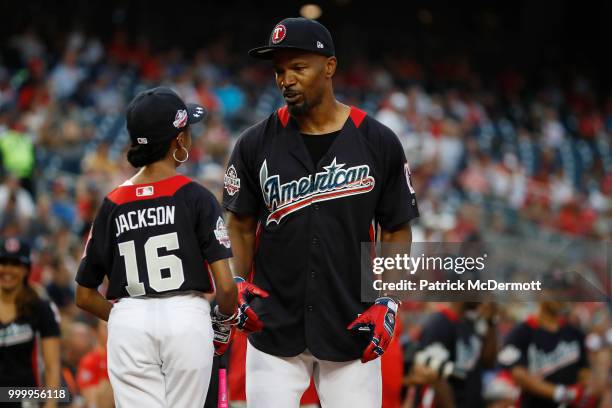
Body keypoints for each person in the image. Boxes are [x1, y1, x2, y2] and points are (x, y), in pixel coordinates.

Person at [223, 17, 419, 407]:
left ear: (329, 66)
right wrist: (238, 281)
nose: (286, 80)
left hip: (352, 328)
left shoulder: (377, 141)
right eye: (280, 71)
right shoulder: (254, 143)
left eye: (298, 67)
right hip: (273, 328)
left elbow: (395, 228)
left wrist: (389, 299)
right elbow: (240, 225)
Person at [75, 87, 238, 408]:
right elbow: (227, 287)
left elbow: (84, 295)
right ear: (178, 140)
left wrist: (126, 318)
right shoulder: (197, 196)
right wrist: (222, 321)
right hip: (186, 319)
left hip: (129, 320)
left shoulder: (112, 203)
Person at [498, 300, 601, 408]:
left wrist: (586, 389)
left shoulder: (573, 331)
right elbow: (519, 375)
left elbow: (583, 368)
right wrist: (561, 393)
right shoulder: (520, 333)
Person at [0, 237, 61, 408]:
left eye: (15, 264)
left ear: (26, 269)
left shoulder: (40, 308)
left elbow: (52, 365)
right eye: (3, 263)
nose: (8, 270)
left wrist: (50, 404)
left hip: (25, 397)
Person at [409, 302, 498, 408]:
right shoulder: (440, 323)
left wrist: (490, 322)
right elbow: (434, 377)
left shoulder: (469, 323)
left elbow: (488, 362)